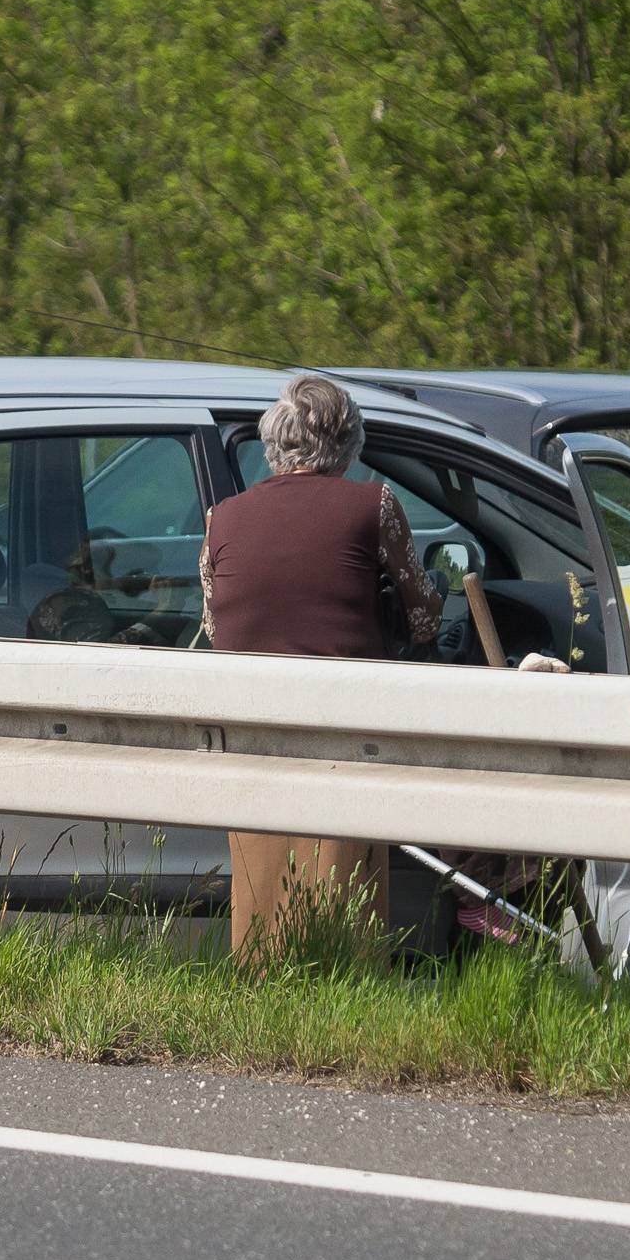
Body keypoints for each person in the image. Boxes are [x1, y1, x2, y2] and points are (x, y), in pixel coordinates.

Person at [198, 373, 443, 957]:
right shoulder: (374, 503)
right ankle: (349, 990)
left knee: (261, 908)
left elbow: (214, 624)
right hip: (342, 732)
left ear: (271, 442)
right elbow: (425, 617)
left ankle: (261, 989)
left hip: (252, 736)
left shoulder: (221, 517)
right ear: (348, 440)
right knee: (345, 897)